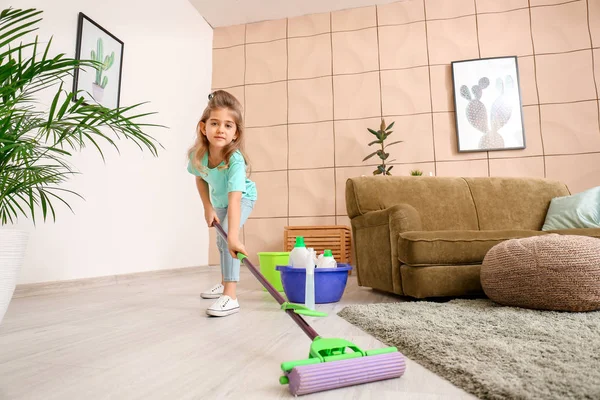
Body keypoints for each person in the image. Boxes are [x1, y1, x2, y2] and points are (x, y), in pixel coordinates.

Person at [187, 90, 257, 317]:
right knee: (221, 241)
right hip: (219, 200)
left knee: (228, 236)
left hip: (242, 198)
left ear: (236, 134)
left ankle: (231, 295)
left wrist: (234, 237)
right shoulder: (199, 155)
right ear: (203, 127)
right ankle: (223, 282)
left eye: (228, 125)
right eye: (215, 123)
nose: (220, 130)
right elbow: (200, 178)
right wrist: (207, 207)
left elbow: (235, 199)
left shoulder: (234, 161)